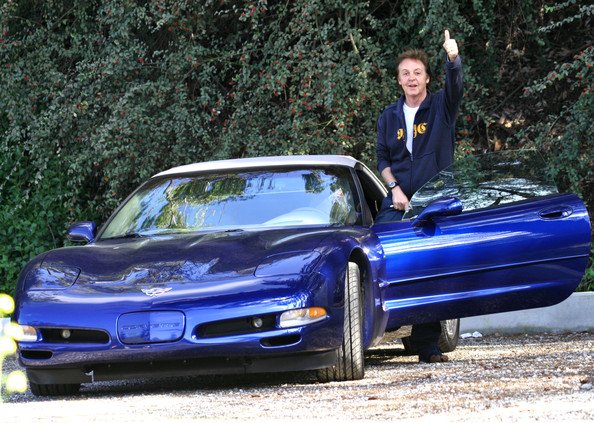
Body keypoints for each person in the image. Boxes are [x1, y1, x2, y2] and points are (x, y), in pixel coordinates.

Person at [375, 30, 463, 363]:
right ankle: (387, 324)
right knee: (381, 250)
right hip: (398, 198)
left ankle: (426, 343)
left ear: (427, 78)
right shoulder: (389, 116)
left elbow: (456, 85)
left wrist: (453, 58)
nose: (412, 78)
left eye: (417, 72)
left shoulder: (441, 106)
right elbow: (383, 158)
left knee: (432, 266)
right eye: (405, 73)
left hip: (436, 199)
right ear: (398, 80)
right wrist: (393, 188)